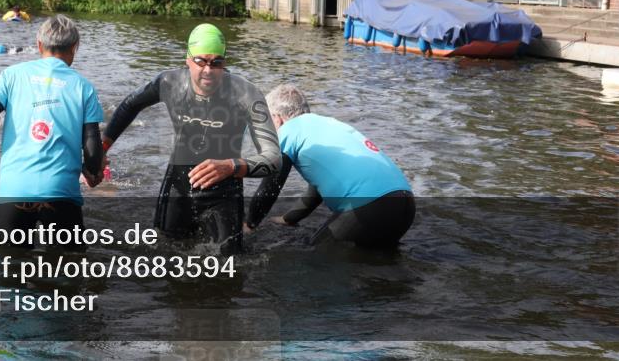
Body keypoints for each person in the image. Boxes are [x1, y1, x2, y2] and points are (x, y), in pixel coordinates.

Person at [102, 24, 280, 254]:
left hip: (224, 192)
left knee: (230, 266)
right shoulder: (168, 83)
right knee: (164, 254)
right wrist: (103, 147)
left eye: (216, 62)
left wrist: (232, 166)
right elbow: (129, 105)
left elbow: (274, 158)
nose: (208, 70)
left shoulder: (245, 94)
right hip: (178, 187)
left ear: (224, 63)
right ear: (187, 59)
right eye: (201, 61)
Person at [0, 15, 104, 248]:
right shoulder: (84, 87)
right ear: (75, 47)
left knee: (12, 268)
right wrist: (93, 172)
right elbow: (92, 145)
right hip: (61, 191)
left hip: (15, 190)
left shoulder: (11, 75)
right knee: (69, 271)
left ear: (39, 45)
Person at [246, 84, 415, 248]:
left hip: (370, 207)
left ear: (277, 118)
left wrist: (250, 224)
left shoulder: (287, 132)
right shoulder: (328, 124)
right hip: (405, 204)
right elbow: (318, 187)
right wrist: (289, 219)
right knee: (379, 262)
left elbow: (271, 187)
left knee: (317, 259)